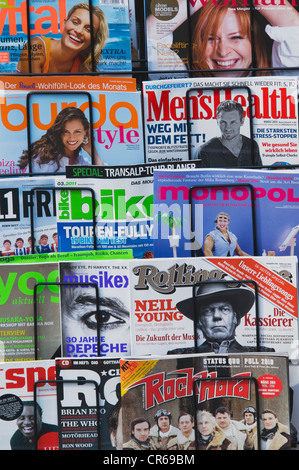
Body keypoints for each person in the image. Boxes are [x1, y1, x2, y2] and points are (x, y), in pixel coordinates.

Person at [146, 0, 299, 77]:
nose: (223, 51)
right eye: (210, 39)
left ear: (254, 42)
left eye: (236, 37)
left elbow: (293, 27)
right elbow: (149, 37)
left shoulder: (282, 80)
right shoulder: (180, 85)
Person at [168, 279, 275, 354]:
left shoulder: (263, 354)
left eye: (225, 309)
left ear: (235, 318)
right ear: (199, 320)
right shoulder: (179, 356)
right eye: (207, 311)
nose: (217, 316)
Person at [17, 2, 109, 73]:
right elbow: (36, 94)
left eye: (88, 30)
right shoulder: (35, 47)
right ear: (64, 23)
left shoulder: (83, 65)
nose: (79, 31)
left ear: (93, 40)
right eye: (75, 22)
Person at [18, 107, 103, 173]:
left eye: (77, 132)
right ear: (59, 133)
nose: (72, 137)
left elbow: (106, 181)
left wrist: (92, 151)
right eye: (66, 132)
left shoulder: (81, 161)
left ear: (86, 132)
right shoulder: (43, 157)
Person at [195, 101, 262, 167]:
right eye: (223, 122)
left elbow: (259, 176)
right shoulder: (205, 151)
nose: (228, 128)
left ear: (242, 121)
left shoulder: (252, 146)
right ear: (217, 122)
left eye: (233, 122)